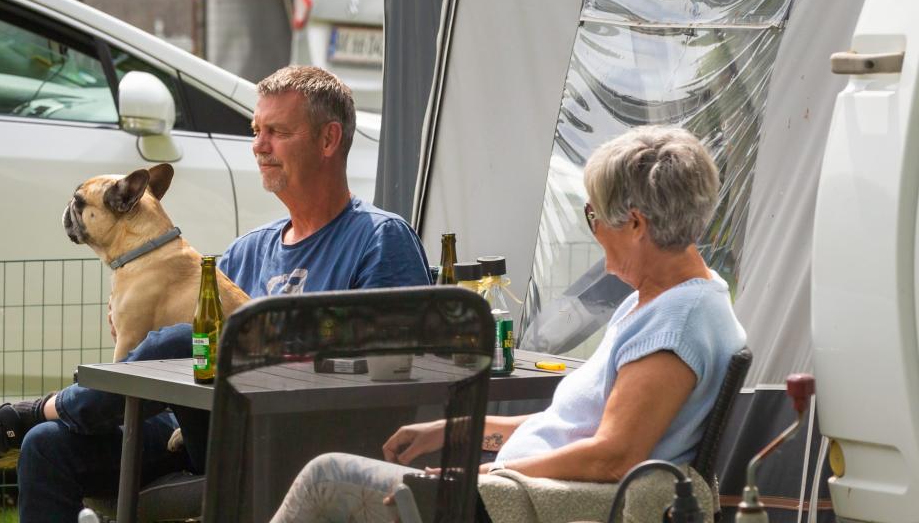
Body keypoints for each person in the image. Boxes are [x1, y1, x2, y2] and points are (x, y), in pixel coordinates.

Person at [0, 65, 431, 521]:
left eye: (277, 131)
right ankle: (40, 420)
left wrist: (258, 350)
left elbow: (401, 371)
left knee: (188, 338)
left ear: (328, 139)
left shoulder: (378, 239)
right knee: (49, 445)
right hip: (203, 429)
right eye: (256, 131)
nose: (259, 145)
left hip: (296, 438)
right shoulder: (249, 250)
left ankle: (22, 416)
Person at [268, 125, 747, 523]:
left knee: (326, 477)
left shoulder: (674, 326)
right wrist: (454, 431)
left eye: (594, 216)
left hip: (512, 502)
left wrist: (483, 476)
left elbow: (612, 457)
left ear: (637, 224)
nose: (594, 230)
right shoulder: (665, 299)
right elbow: (571, 427)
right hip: (511, 489)